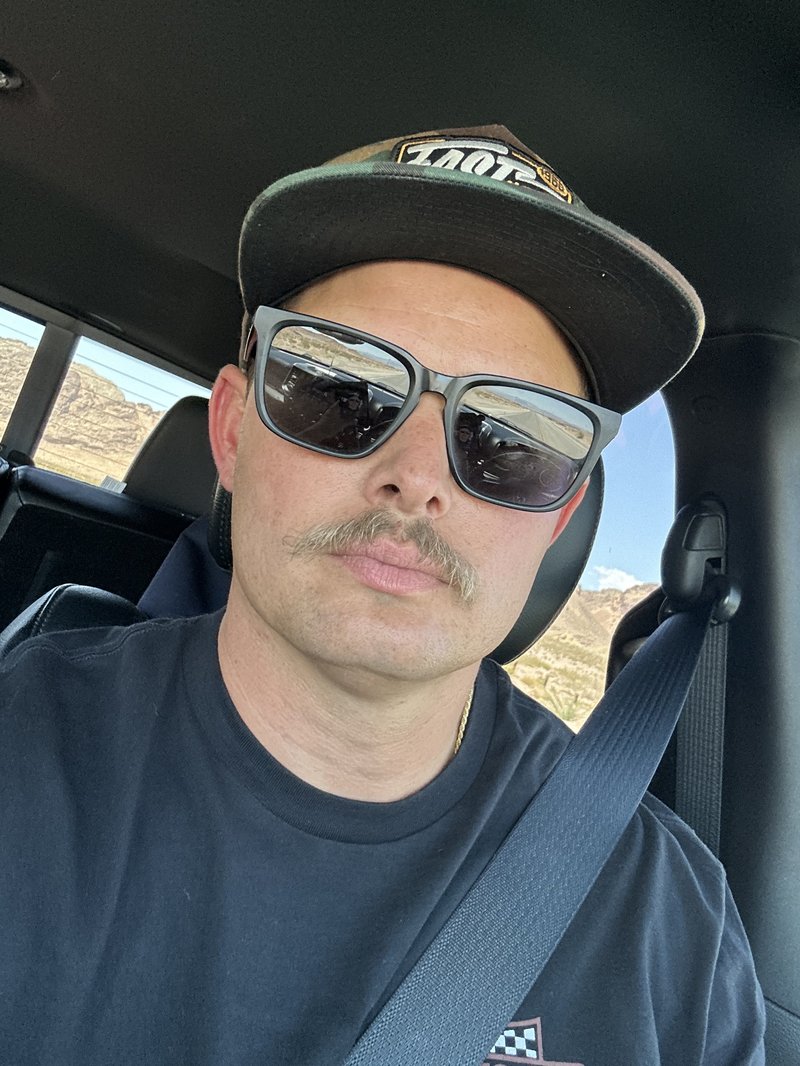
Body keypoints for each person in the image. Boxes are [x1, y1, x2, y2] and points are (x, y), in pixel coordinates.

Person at [0, 126, 765, 1064]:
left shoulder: (670, 933)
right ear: (233, 432)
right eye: (343, 388)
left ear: (557, 518)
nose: (419, 478)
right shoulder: (23, 742)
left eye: (513, 439)